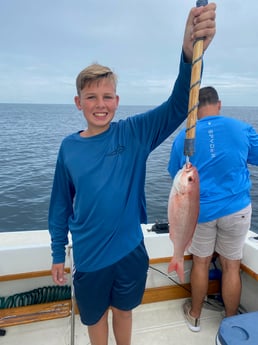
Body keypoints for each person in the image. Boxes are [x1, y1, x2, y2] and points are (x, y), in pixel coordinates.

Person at [48, 4, 216, 345]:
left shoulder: (134, 134)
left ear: (117, 100)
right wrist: (56, 253)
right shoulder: (69, 149)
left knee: (124, 313)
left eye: (107, 96)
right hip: (89, 256)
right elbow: (60, 206)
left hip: (129, 252)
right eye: (91, 96)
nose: (100, 103)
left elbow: (178, 104)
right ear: (78, 102)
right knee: (95, 319)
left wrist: (188, 54)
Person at [168, 86, 258, 332]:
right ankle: (230, 321)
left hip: (200, 213)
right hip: (237, 209)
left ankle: (195, 315)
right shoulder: (242, 129)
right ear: (219, 104)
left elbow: (174, 175)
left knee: (201, 262)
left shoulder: (183, 138)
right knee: (231, 266)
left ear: (193, 111)